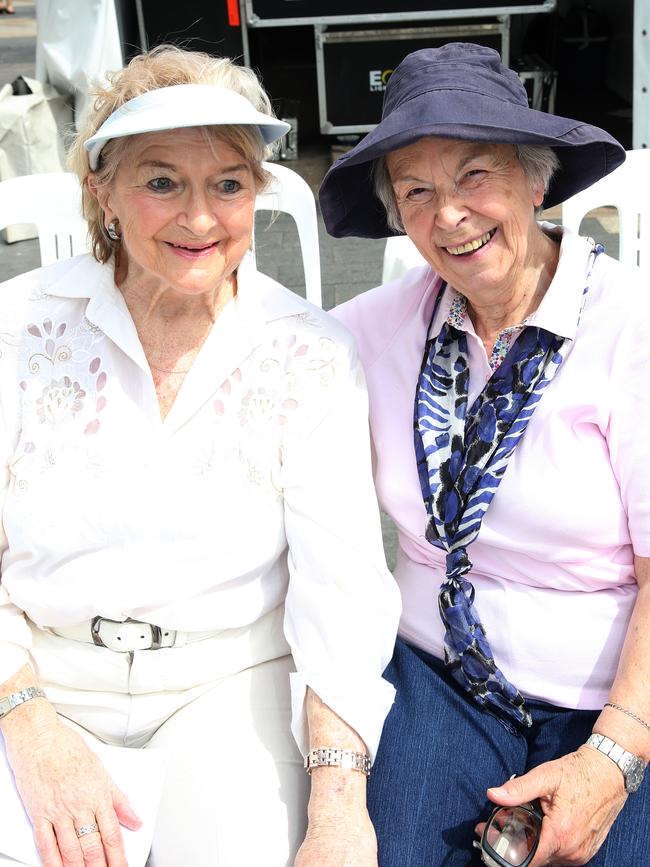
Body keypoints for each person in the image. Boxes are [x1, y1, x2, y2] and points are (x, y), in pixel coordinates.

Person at [0, 46, 400, 867]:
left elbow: (342, 597)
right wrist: (31, 725)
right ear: (102, 191)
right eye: (160, 181)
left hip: (226, 685)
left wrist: (337, 810)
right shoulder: (17, 328)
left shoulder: (310, 353)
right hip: (36, 679)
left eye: (227, 182)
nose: (200, 218)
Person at [319, 42, 650, 866]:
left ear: (536, 180)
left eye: (475, 177)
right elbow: (245, 360)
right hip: (435, 680)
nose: (450, 215)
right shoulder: (370, 330)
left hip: (612, 698)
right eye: (417, 192)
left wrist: (613, 756)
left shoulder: (629, 329)